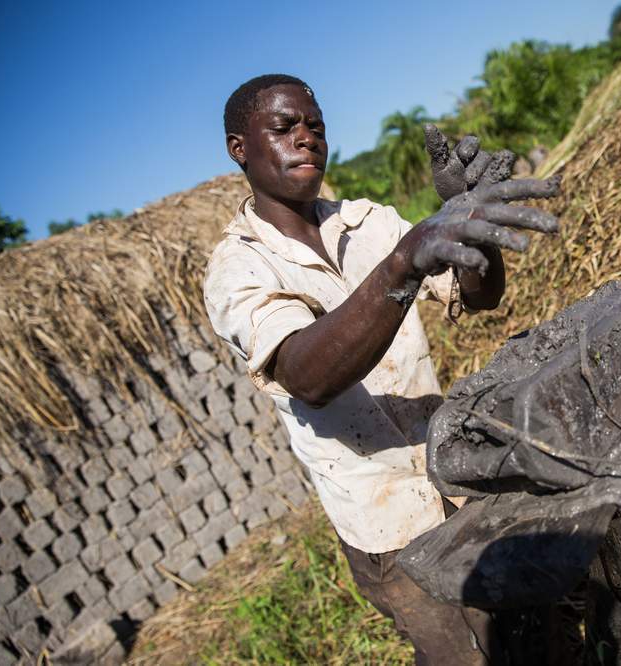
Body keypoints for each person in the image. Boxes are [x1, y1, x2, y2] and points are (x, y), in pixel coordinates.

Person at [203, 74, 561, 665]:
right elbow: (308, 375)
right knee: (464, 655)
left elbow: (479, 296)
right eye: (284, 127)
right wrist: (404, 261)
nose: (306, 139)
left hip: (458, 479)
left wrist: (470, 229)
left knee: (530, 637)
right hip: (387, 527)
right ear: (239, 148)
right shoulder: (239, 269)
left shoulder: (367, 221)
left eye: (314, 126)